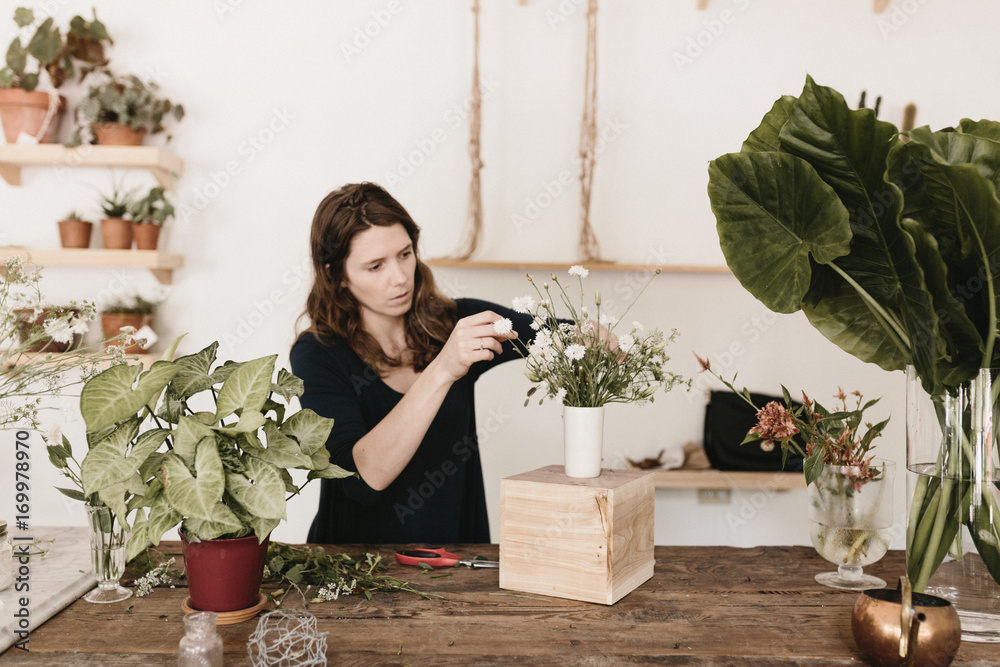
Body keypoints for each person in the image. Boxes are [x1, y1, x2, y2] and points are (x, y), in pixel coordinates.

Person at [291, 182, 535, 545]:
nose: (401, 276)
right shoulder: (317, 353)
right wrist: (443, 369)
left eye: (405, 254)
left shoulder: (455, 323)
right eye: (375, 266)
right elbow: (362, 477)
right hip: (351, 568)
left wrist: (595, 337)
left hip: (458, 562)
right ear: (336, 276)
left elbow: (558, 336)